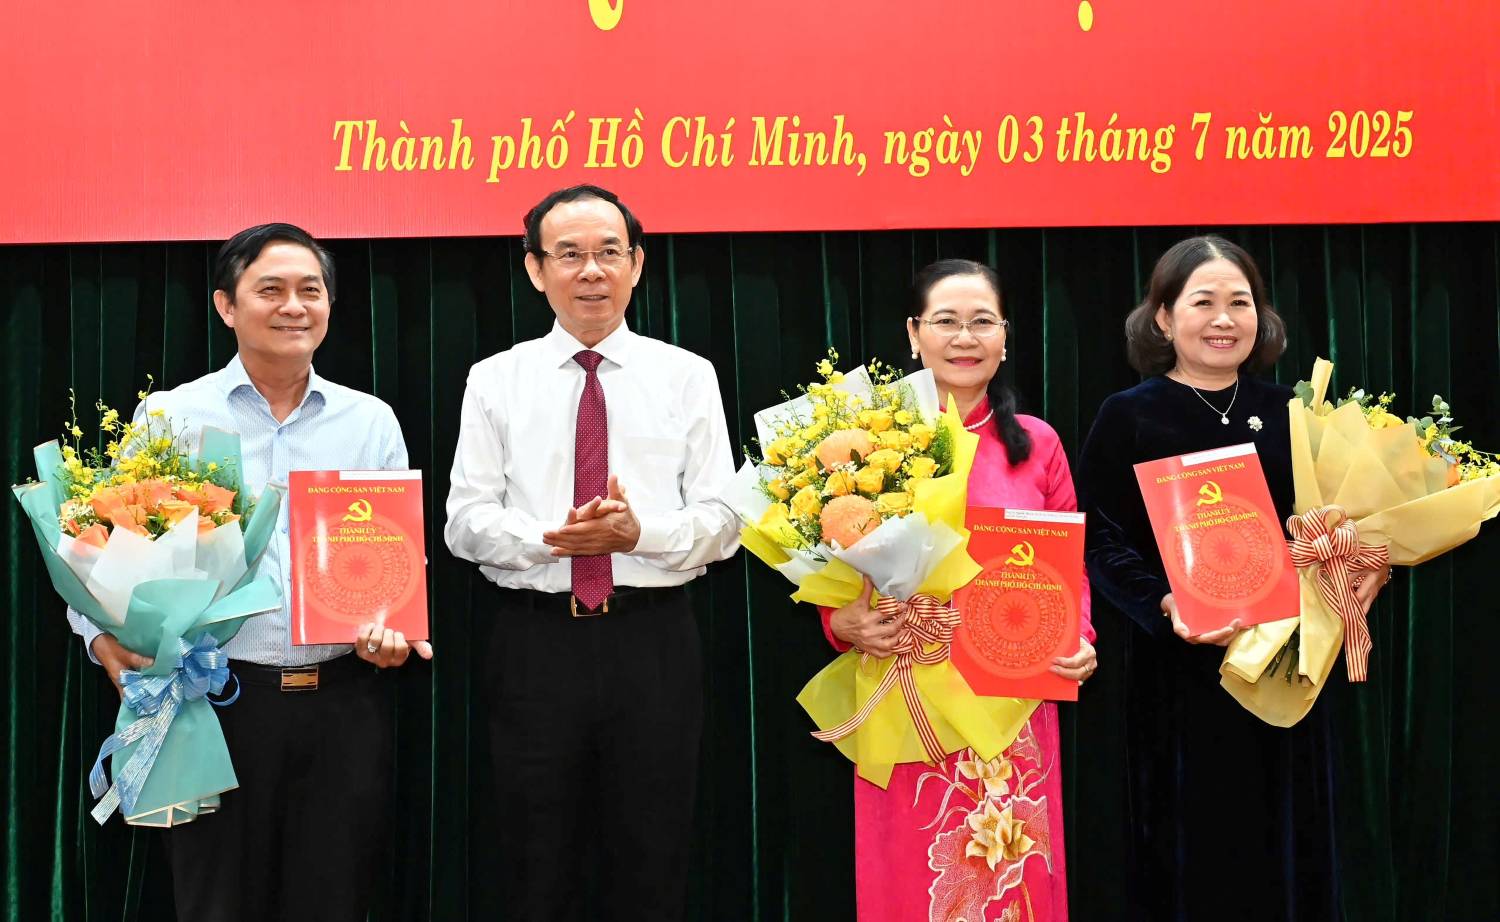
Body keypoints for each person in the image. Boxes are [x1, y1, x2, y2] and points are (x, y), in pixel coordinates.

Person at [67, 222, 432, 921]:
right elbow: (98, 553)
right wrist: (100, 639)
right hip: (215, 704)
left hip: (342, 706)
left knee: (334, 900)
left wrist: (391, 630)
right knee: (214, 901)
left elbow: (396, 560)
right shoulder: (172, 416)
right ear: (227, 306)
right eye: (271, 290)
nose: (295, 306)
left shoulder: (370, 421)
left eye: (311, 290)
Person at [443, 184, 740, 921]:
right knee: (532, 861)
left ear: (637, 264)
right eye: (569, 254)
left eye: (610, 252)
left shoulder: (687, 375)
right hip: (535, 645)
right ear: (535, 270)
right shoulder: (495, 379)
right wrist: (553, 539)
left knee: (654, 857)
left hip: (654, 641)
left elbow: (727, 519)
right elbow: (463, 521)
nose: (591, 271)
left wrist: (639, 537)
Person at [1075, 235, 1386, 921]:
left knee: (1289, 841)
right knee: (1190, 850)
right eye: (1202, 302)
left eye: (1239, 302)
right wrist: (1160, 603)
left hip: (1288, 662)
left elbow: (1339, 520)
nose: (1223, 319)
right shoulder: (1128, 414)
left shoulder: (1296, 412)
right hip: (1179, 672)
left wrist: (1362, 564)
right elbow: (1095, 535)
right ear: (1162, 317)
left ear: (1260, 316)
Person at [820, 259, 1097, 921]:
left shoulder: (1037, 443)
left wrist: (1080, 635)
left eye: (982, 322)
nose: (964, 337)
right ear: (914, 334)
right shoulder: (868, 443)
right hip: (906, 681)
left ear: (1005, 337)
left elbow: (1070, 569)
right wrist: (846, 625)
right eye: (946, 321)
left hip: (1011, 698)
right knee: (911, 877)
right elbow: (833, 568)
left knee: (1010, 882)